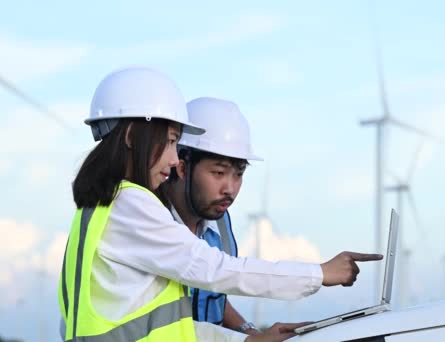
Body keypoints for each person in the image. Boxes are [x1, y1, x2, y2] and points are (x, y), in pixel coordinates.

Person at [59, 66, 383, 342]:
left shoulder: (102, 208)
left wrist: (246, 337)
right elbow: (214, 269)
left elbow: (173, 328)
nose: (174, 160)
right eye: (171, 141)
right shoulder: (131, 205)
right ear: (131, 136)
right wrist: (319, 273)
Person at [161, 97, 288, 335]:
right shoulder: (148, 220)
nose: (229, 188)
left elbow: (213, 294)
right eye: (218, 172)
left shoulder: (219, 219)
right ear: (182, 166)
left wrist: (249, 331)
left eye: (238, 174)